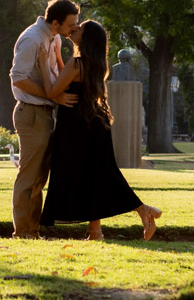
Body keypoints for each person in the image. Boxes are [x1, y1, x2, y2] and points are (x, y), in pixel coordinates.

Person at [37, 20, 162, 240]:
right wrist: (57, 54)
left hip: (76, 126)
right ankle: (99, 229)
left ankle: (140, 211)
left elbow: (52, 89)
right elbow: (67, 77)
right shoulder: (96, 64)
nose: (74, 29)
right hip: (94, 122)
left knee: (80, 174)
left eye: (79, 29)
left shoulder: (76, 63)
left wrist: (41, 64)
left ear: (86, 39)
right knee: (96, 175)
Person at [9, 0, 80, 239]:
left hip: (47, 114)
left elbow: (56, 76)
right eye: (71, 24)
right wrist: (54, 96)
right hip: (31, 112)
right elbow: (18, 78)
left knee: (40, 178)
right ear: (56, 22)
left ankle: (32, 231)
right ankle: (22, 232)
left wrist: (55, 95)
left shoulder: (55, 38)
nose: (74, 29)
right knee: (28, 176)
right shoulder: (32, 39)